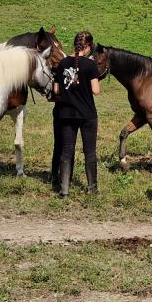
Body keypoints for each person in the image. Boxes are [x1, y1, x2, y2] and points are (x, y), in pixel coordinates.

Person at [52, 31, 101, 197]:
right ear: (87, 47)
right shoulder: (90, 65)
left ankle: (64, 190)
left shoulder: (62, 63)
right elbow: (96, 91)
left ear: (75, 45)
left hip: (66, 114)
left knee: (66, 151)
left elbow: (56, 90)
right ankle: (92, 189)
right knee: (90, 152)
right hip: (87, 115)